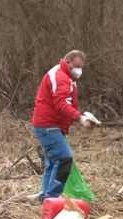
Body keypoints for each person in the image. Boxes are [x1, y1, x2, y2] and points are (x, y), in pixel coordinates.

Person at [31, 50, 93, 202]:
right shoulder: (61, 77)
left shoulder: (67, 77)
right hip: (48, 125)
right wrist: (79, 118)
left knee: (52, 162)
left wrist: (81, 116)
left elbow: (68, 103)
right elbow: (60, 103)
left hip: (51, 124)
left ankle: (45, 197)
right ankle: (52, 198)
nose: (80, 70)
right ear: (68, 62)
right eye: (77, 66)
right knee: (65, 159)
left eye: (82, 67)